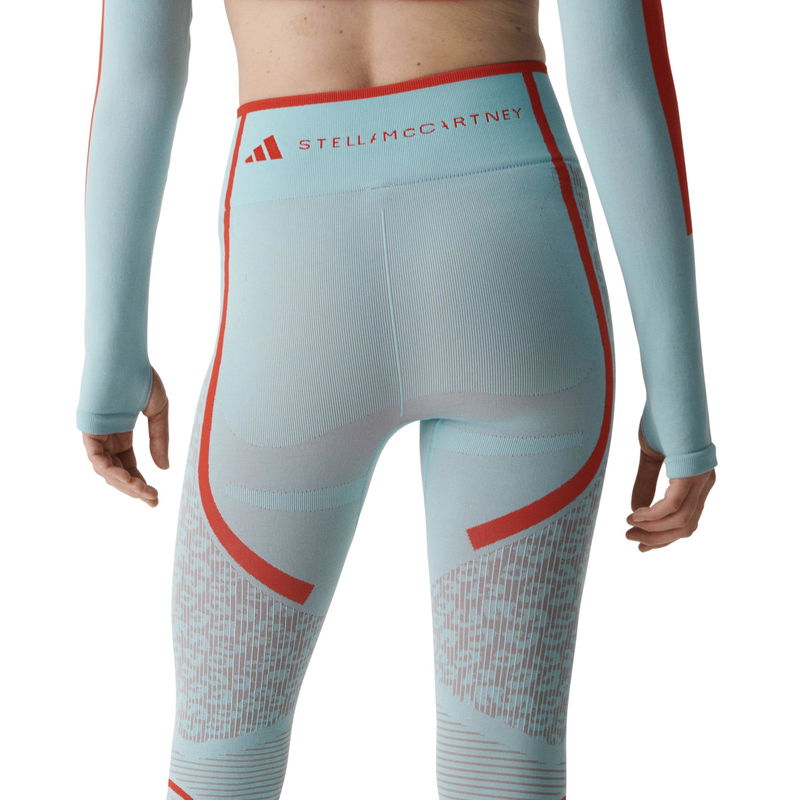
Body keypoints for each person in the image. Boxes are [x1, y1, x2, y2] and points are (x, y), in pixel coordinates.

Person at [76, 1, 718, 798]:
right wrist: (681, 400)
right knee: (504, 764)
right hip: (513, 244)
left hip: (296, 270)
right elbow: (621, 80)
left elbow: (138, 82)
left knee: (220, 760)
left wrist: (111, 360)